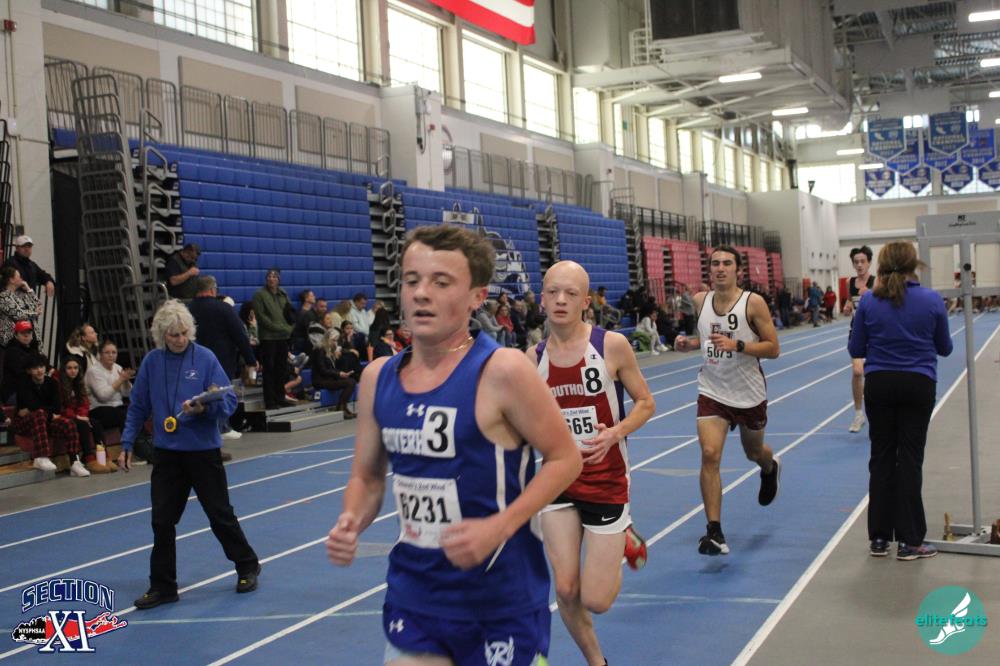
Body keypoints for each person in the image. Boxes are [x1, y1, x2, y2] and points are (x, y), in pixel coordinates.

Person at [326, 225, 581, 666]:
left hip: (499, 602)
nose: (421, 293)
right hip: (415, 595)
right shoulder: (377, 378)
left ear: (477, 297)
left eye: (441, 282)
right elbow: (367, 479)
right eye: (412, 280)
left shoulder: (503, 370)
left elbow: (564, 458)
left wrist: (500, 526)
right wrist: (351, 518)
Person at [530, 260, 655, 666]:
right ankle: (597, 662)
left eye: (570, 294)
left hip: (606, 481)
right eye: (553, 292)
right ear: (542, 298)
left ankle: (625, 536)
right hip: (557, 482)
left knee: (596, 600)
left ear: (586, 302)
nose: (560, 300)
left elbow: (646, 402)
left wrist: (615, 433)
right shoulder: (531, 359)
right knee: (566, 589)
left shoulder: (610, 346)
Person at [118, 301, 260, 609]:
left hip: (203, 452)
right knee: (162, 522)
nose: (180, 339)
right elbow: (138, 405)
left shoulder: (206, 358)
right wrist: (126, 442)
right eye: (173, 335)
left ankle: (247, 565)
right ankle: (163, 586)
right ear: (161, 335)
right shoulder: (152, 362)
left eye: (183, 333)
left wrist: (203, 409)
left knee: (220, 515)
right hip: (167, 455)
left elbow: (228, 402)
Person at [674, 245, 781, 555]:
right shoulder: (700, 301)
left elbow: (773, 348)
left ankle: (769, 467)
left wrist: (738, 345)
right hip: (712, 389)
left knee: (753, 452)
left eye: (727, 263)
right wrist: (689, 344)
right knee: (710, 454)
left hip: (748, 393)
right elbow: (706, 339)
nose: (720, 268)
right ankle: (714, 532)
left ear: (738, 270)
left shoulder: (753, 303)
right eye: (715, 263)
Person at [848, 242, 952, 560]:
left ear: (880, 265)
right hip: (918, 383)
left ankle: (879, 538)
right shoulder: (931, 299)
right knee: (909, 459)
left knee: (881, 457)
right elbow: (945, 348)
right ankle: (910, 541)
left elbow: (856, 348)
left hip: (879, 383)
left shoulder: (869, 301)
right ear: (914, 264)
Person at [15, 353, 85, 475]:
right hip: (25, 423)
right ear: (29, 370)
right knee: (39, 414)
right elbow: (32, 405)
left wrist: (43, 412)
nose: (39, 370)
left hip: (45, 421)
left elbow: (56, 407)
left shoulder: (52, 383)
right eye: (35, 368)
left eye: (41, 366)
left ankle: (75, 462)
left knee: (69, 424)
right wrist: (48, 413)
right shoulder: (23, 383)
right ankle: (41, 456)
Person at [842, 246, 876, 433]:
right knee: (857, 371)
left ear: (869, 262)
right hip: (856, 331)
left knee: (875, 374)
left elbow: (883, 304)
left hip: (875, 333)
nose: (860, 265)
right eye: (856, 262)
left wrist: (869, 295)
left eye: (863, 261)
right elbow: (850, 300)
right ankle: (858, 414)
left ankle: (877, 411)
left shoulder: (876, 282)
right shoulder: (850, 282)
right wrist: (847, 307)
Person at [252, 269, 295, 410]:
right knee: (269, 370)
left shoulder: (283, 293)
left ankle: (280, 397)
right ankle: (270, 401)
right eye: (269, 276)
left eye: (274, 276)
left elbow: (289, 312)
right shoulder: (259, 295)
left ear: (279, 279)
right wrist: (280, 328)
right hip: (268, 337)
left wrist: (290, 326)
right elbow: (261, 317)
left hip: (283, 337)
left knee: (281, 369)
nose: (271, 279)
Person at [309, 330, 356, 418]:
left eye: (336, 340)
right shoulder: (319, 350)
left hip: (328, 378)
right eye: (333, 340)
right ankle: (341, 408)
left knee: (352, 381)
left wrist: (341, 373)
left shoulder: (328, 350)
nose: (335, 343)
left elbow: (331, 369)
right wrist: (338, 374)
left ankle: (344, 407)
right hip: (320, 380)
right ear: (327, 339)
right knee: (349, 383)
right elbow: (322, 370)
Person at [0, 266, 41, 347]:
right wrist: (35, 313)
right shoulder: (3, 296)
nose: (22, 279)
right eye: (19, 277)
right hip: (13, 340)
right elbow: (19, 314)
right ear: (11, 280)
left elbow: (37, 305)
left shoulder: (20, 294)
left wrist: (28, 289)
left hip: (29, 338)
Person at [1, 321, 40, 402]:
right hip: (13, 392)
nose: (26, 335)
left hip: (27, 390)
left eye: (29, 333)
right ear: (16, 335)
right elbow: (22, 373)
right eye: (22, 333)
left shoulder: (32, 350)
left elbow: (41, 364)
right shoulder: (12, 351)